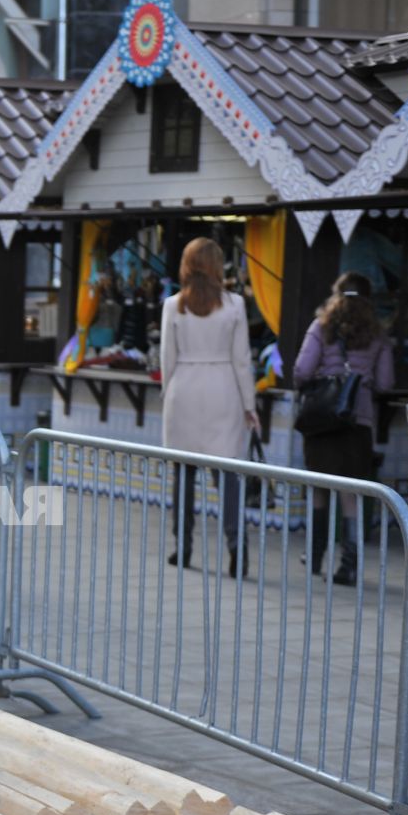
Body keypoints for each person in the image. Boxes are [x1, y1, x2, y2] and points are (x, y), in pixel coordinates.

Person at [159, 237, 258, 578]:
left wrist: (166, 393)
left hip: (183, 387)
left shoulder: (173, 305)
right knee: (228, 476)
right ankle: (237, 549)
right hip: (223, 390)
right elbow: (242, 360)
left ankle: (182, 547)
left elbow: (166, 358)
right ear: (218, 266)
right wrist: (249, 404)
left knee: (183, 474)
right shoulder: (234, 305)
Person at [294, 272, 394, 589]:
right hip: (357, 422)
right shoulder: (377, 335)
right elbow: (386, 383)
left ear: (335, 295)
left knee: (320, 488)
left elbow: (301, 370)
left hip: (321, 421)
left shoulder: (321, 327)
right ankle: (348, 567)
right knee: (350, 495)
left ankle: (315, 555)